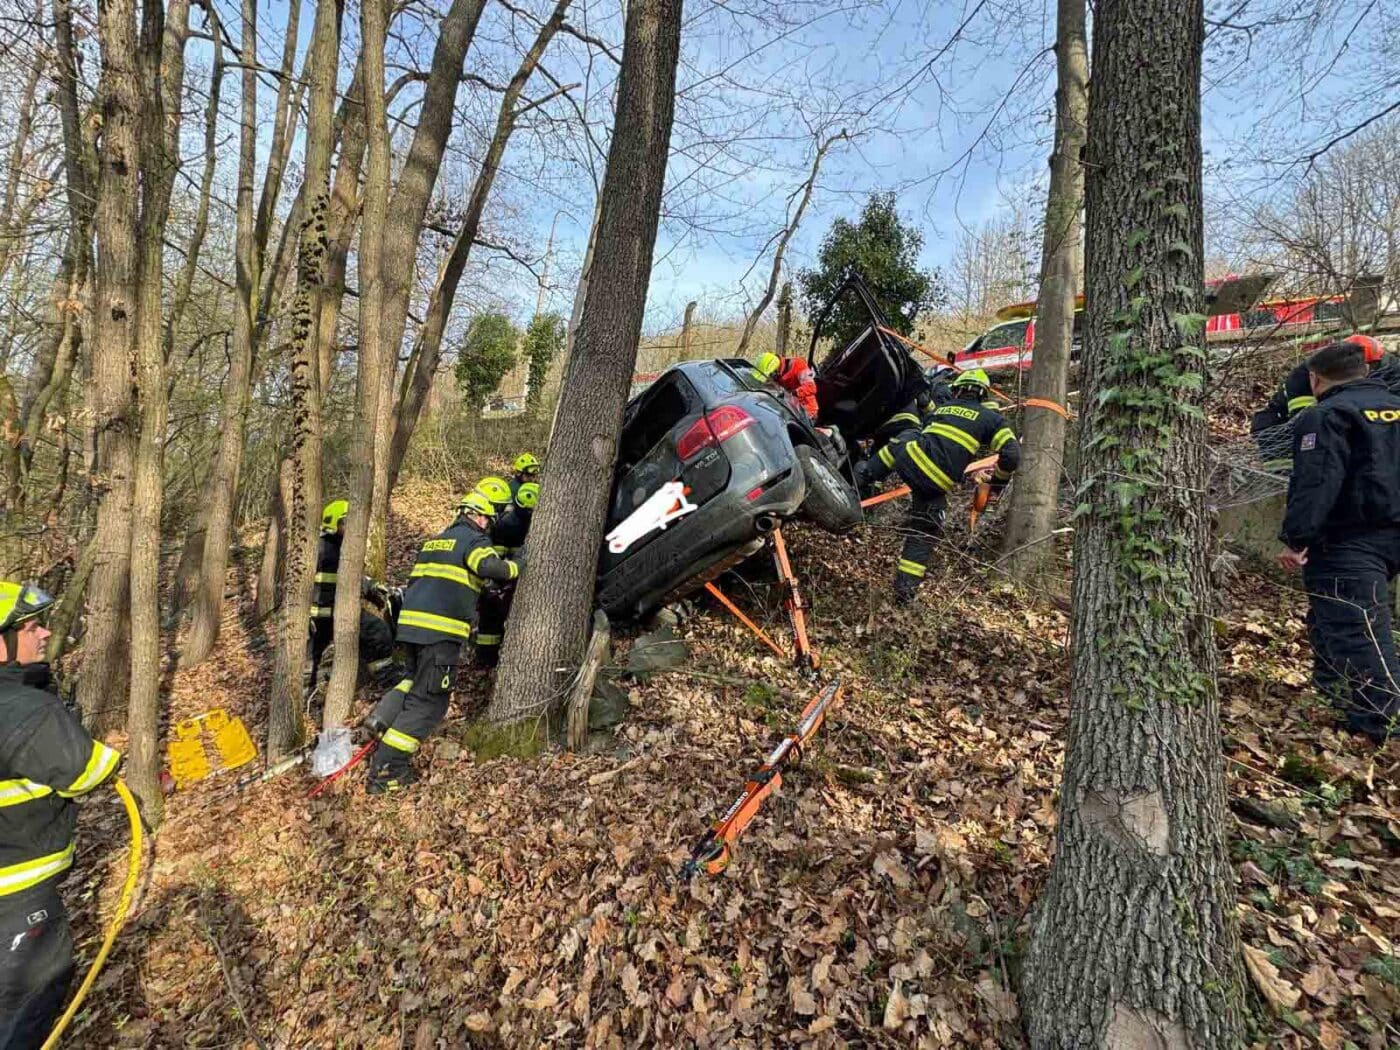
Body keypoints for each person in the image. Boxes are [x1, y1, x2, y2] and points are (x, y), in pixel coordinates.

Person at [0, 581, 121, 1046]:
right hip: (17, 897)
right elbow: (84, 770)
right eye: (31, 627)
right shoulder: (26, 712)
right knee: (28, 1006)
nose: (45, 634)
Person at [1276, 340, 1400, 744]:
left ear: (1315, 378)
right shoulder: (1393, 405)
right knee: (1333, 619)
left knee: (1357, 630)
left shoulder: (1326, 415)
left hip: (1350, 541)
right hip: (1390, 535)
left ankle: (1380, 724)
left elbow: (1316, 483)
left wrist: (1296, 539)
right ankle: (1335, 697)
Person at [364, 491, 522, 793]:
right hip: (439, 633)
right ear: (477, 515)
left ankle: (381, 718)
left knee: (413, 681)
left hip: (410, 630)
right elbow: (491, 568)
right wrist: (518, 566)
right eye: (488, 519)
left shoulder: (435, 541)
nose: (488, 524)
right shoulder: (473, 539)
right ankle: (386, 773)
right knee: (430, 702)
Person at [856, 369, 1021, 602]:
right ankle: (904, 593)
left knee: (906, 437)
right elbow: (1012, 455)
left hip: (912, 459)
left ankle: (861, 479)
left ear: (959, 389)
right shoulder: (991, 419)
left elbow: (937, 432)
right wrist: (996, 486)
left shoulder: (941, 410)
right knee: (923, 533)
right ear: (983, 395)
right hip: (936, 484)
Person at [306, 499, 397, 693]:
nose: (351, 526)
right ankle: (386, 676)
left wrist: (372, 588)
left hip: (329, 613)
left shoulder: (336, 547)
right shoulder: (324, 550)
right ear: (333, 523)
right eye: (345, 522)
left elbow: (353, 576)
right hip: (329, 614)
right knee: (377, 631)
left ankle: (309, 691)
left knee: (313, 656)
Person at [753, 351, 819, 420]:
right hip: (789, 412)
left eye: (770, 376)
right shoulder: (777, 376)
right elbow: (767, 389)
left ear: (775, 371)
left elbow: (811, 387)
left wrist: (793, 393)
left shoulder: (798, 364)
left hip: (807, 413)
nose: (770, 379)